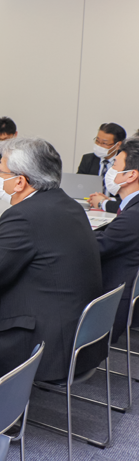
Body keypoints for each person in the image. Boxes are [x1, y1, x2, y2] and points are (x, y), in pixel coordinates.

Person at [0, 138, 103, 382]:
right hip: (76, 333)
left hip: (46, 343)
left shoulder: (22, 216)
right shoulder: (69, 204)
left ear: (20, 181)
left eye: (0, 171)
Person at [95, 137, 139, 341]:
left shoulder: (133, 216)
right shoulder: (131, 208)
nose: (110, 170)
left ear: (131, 175)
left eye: (115, 165)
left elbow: (98, 247)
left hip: (111, 304)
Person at [80, 122, 127, 213]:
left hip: (115, 210)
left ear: (118, 145)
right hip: (91, 208)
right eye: (97, 141)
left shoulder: (126, 163)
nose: (99, 146)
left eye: (104, 143)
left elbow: (128, 197)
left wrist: (106, 201)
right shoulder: (88, 159)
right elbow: (79, 185)